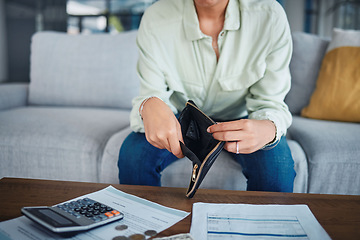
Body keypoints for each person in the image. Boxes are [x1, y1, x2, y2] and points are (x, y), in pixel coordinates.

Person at [118, 0, 296, 192]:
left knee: (278, 170)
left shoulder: (270, 16)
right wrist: (149, 105)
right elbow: (152, 93)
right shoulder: (155, 18)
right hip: (181, 117)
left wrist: (269, 127)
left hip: (245, 118)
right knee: (133, 157)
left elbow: (270, 102)